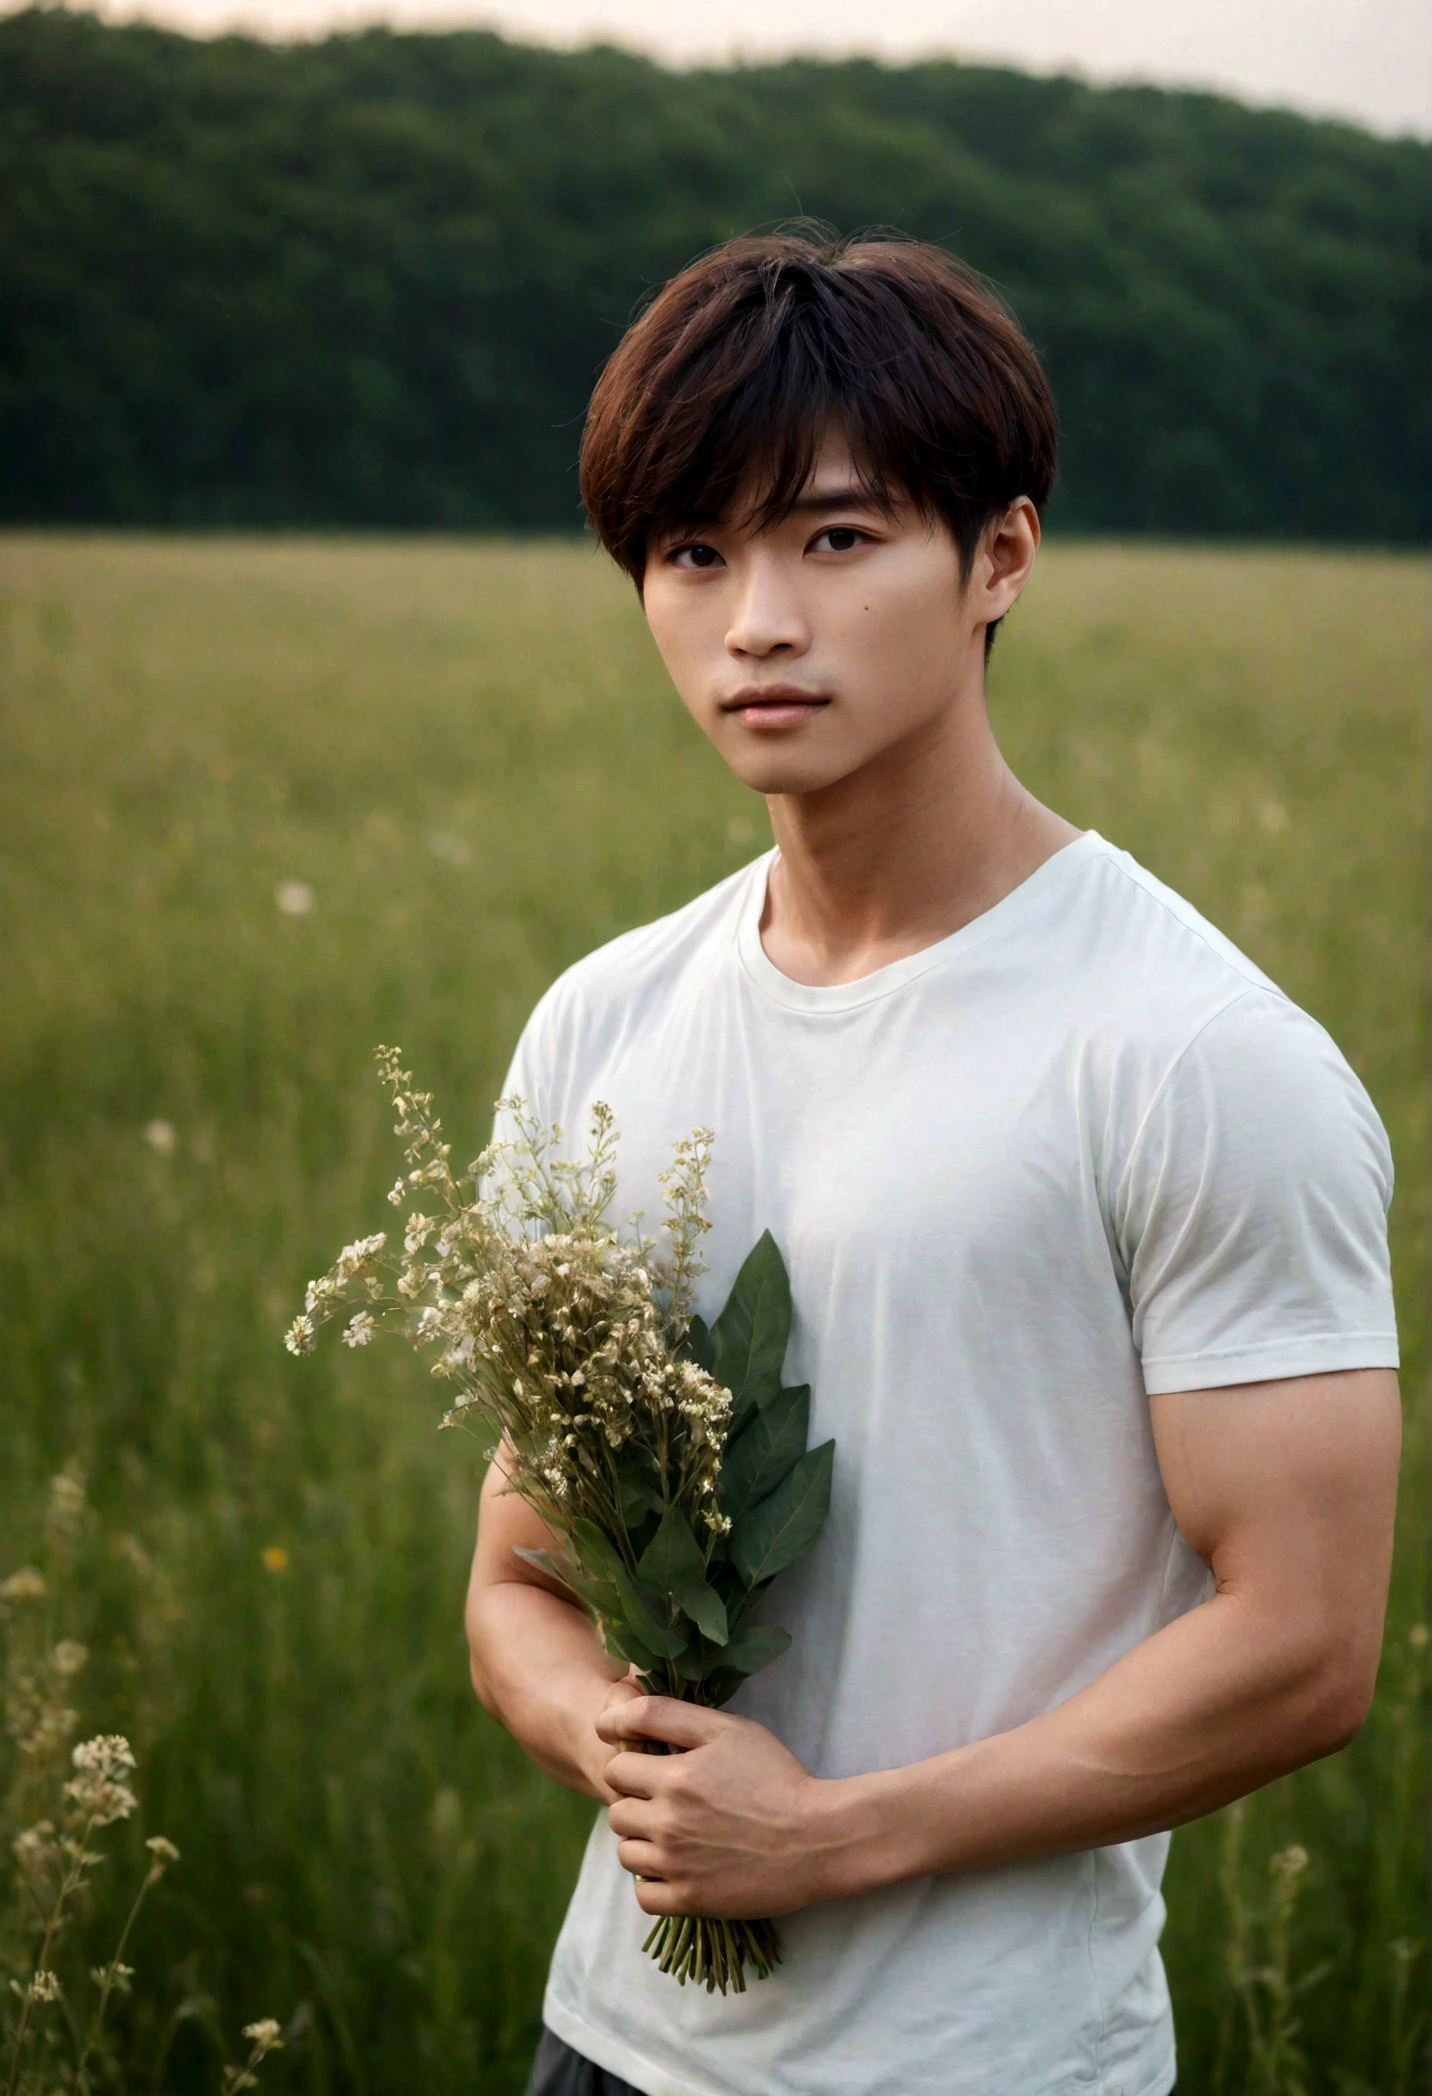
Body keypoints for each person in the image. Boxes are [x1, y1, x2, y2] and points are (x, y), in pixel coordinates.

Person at [464, 230, 1401, 2096]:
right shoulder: (601, 1024)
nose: (756, 623)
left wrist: (835, 1836)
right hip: (607, 2042)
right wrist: (619, 1749)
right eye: (692, 554)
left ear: (1001, 554)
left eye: (834, 538)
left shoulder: (1196, 1056)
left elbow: (1306, 1646)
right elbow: (518, 1580)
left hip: (991, 2061)